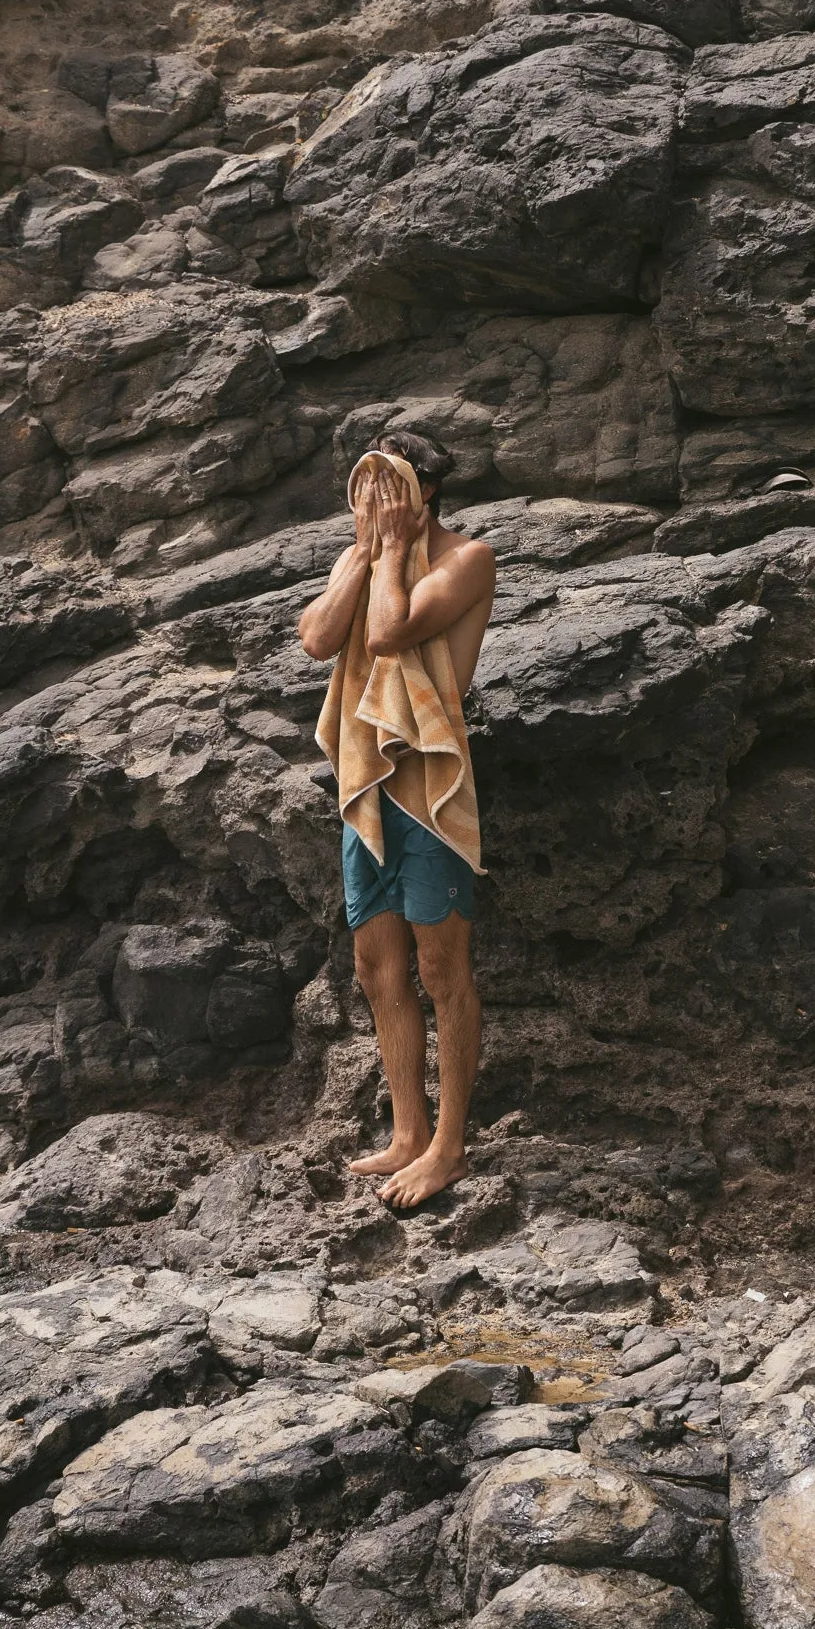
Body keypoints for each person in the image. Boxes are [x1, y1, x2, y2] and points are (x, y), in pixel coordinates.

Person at [297, 429, 496, 1208]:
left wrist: (388, 556)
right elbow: (318, 639)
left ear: (425, 493)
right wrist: (364, 554)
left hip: (429, 789)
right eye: (366, 484)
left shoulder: (466, 559)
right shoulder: (363, 556)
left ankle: (449, 1146)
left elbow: (388, 631)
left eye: (389, 486)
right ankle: (407, 1132)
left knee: (443, 969)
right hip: (366, 781)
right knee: (376, 968)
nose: (374, 502)